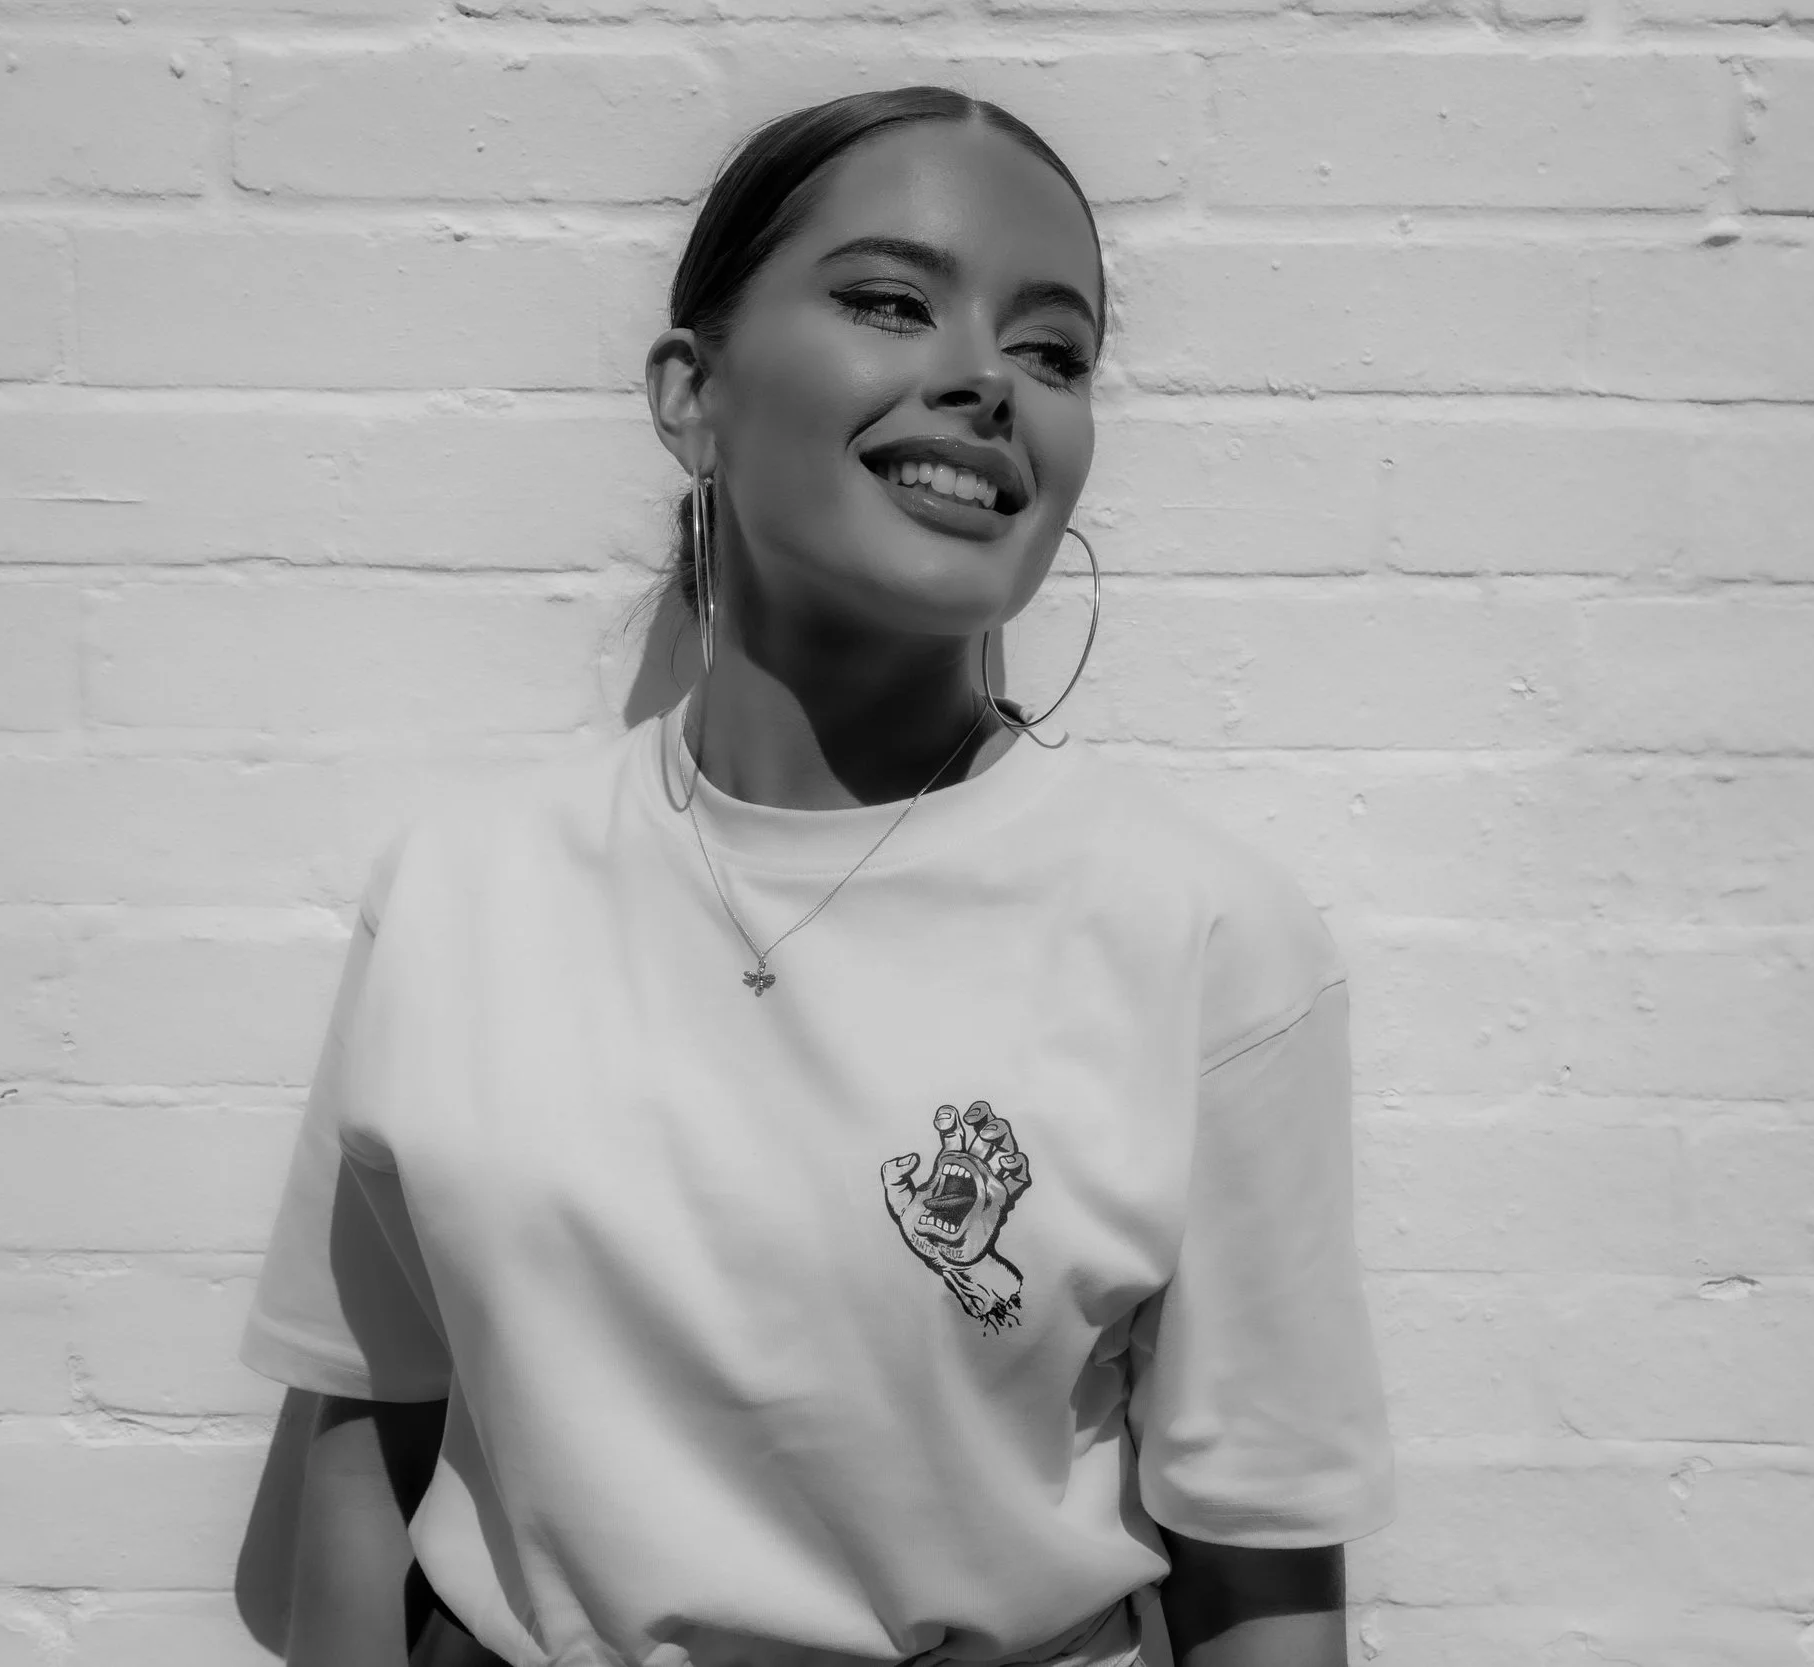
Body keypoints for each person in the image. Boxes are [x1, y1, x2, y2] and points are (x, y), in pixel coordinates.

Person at [241, 86, 1395, 1667]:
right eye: (891, 302)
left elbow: (1259, 1575)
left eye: (1054, 351)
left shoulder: (1202, 938)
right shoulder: (462, 892)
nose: (990, 379)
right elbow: (366, 1435)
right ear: (691, 394)